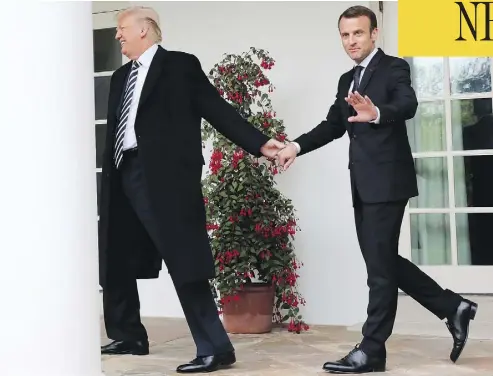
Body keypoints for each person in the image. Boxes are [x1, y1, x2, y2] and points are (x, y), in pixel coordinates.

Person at [277, 5, 477, 374]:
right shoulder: (346, 80)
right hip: (363, 184)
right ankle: (453, 307)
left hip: (387, 181)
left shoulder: (394, 67)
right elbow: (332, 125)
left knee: (379, 271)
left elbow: (408, 103)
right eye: (345, 34)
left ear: (374, 34)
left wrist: (378, 113)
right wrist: (295, 147)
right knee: (381, 262)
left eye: (358, 33)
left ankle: (371, 350)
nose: (351, 41)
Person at [98, 6, 285, 374]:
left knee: (184, 260)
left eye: (122, 28)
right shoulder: (121, 76)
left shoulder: (180, 66)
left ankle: (215, 346)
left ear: (145, 31)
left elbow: (216, 109)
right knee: (114, 253)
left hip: (165, 179)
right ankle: (129, 334)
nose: (117, 35)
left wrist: (261, 144)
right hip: (123, 173)